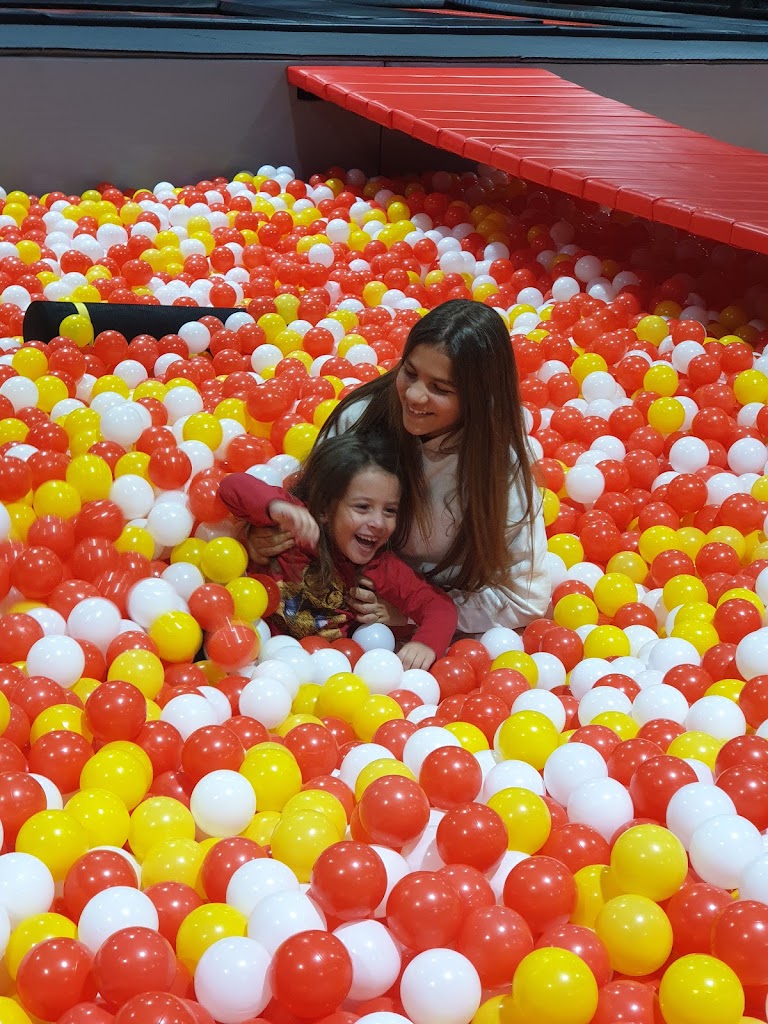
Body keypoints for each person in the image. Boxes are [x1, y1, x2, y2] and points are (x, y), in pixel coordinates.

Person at [247, 298, 550, 636]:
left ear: (475, 399)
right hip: (335, 614)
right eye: (409, 373)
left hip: (431, 622)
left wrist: (409, 611)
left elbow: (526, 597)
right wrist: (264, 538)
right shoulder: (358, 419)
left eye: (440, 388)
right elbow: (309, 513)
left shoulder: (497, 465)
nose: (416, 396)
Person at [218, 431, 458, 670]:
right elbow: (232, 486)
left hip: (321, 674)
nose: (378, 522)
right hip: (246, 651)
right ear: (324, 508)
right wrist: (274, 506)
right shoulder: (297, 523)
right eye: (363, 507)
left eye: (390, 511)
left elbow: (439, 607)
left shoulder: (379, 566)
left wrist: (425, 645)